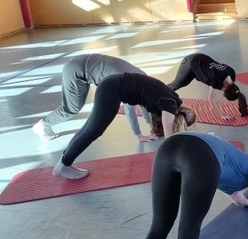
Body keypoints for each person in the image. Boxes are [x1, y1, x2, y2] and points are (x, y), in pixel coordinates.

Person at [52, 73, 196, 180]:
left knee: (89, 127)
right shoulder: (170, 105)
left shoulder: (170, 97)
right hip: (112, 89)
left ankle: (64, 160)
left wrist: (139, 134)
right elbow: (169, 139)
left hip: (110, 84)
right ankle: (64, 165)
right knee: (94, 130)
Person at [32, 54, 155, 142]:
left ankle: (44, 124)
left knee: (76, 105)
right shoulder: (131, 84)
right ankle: (42, 125)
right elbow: (130, 109)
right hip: (77, 70)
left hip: (85, 63)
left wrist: (150, 124)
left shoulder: (143, 78)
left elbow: (143, 103)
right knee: (71, 108)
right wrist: (138, 134)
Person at [167, 53, 248, 119]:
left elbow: (236, 92)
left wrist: (243, 105)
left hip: (201, 59)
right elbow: (211, 100)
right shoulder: (215, 78)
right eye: (224, 91)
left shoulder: (231, 73)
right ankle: (159, 92)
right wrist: (222, 115)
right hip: (190, 62)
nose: (222, 90)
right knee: (177, 84)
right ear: (226, 87)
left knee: (184, 83)